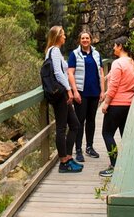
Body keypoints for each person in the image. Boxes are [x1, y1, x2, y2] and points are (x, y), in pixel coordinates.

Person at [99, 36, 134, 177]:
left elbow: (114, 86)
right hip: (129, 104)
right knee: (125, 135)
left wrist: (106, 103)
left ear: (120, 46)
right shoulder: (133, 62)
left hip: (116, 104)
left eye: (114, 46)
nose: (113, 48)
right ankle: (129, 165)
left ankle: (114, 165)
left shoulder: (117, 64)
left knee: (107, 133)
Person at [45, 25, 83, 173]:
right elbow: (58, 73)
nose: (65, 37)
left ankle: (67, 157)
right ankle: (64, 162)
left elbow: (64, 70)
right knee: (61, 128)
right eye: (63, 35)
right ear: (58, 37)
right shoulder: (54, 51)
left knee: (74, 124)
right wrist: (69, 90)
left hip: (62, 93)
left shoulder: (56, 52)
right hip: (60, 94)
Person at [67, 31, 105, 162]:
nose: (85, 40)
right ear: (79, 40)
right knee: (79, 121)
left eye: (87, 38)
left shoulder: (96, 54)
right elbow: (70, 73)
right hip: (81, 94)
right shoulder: (74, 54)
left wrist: (102, 91)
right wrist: (75, 91)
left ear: (91, 40)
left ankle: (89, 147)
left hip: (94, 92)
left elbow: (101, 72)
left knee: (91, 120)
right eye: (82, 38)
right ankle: (78, 149)